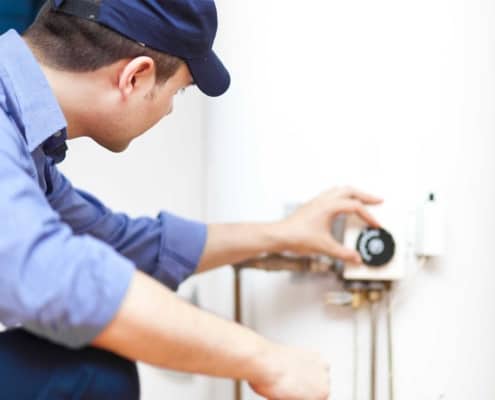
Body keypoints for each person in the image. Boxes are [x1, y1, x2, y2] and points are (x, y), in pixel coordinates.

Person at [0, 1, 382, 399]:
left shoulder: (27, 139)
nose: (169, 110)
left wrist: (282, 234)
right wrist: (266, 359)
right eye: (179, 90)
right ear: (136, 77)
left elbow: (116, 245)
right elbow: (52, 274)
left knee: (91, 370)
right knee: (86, 375)